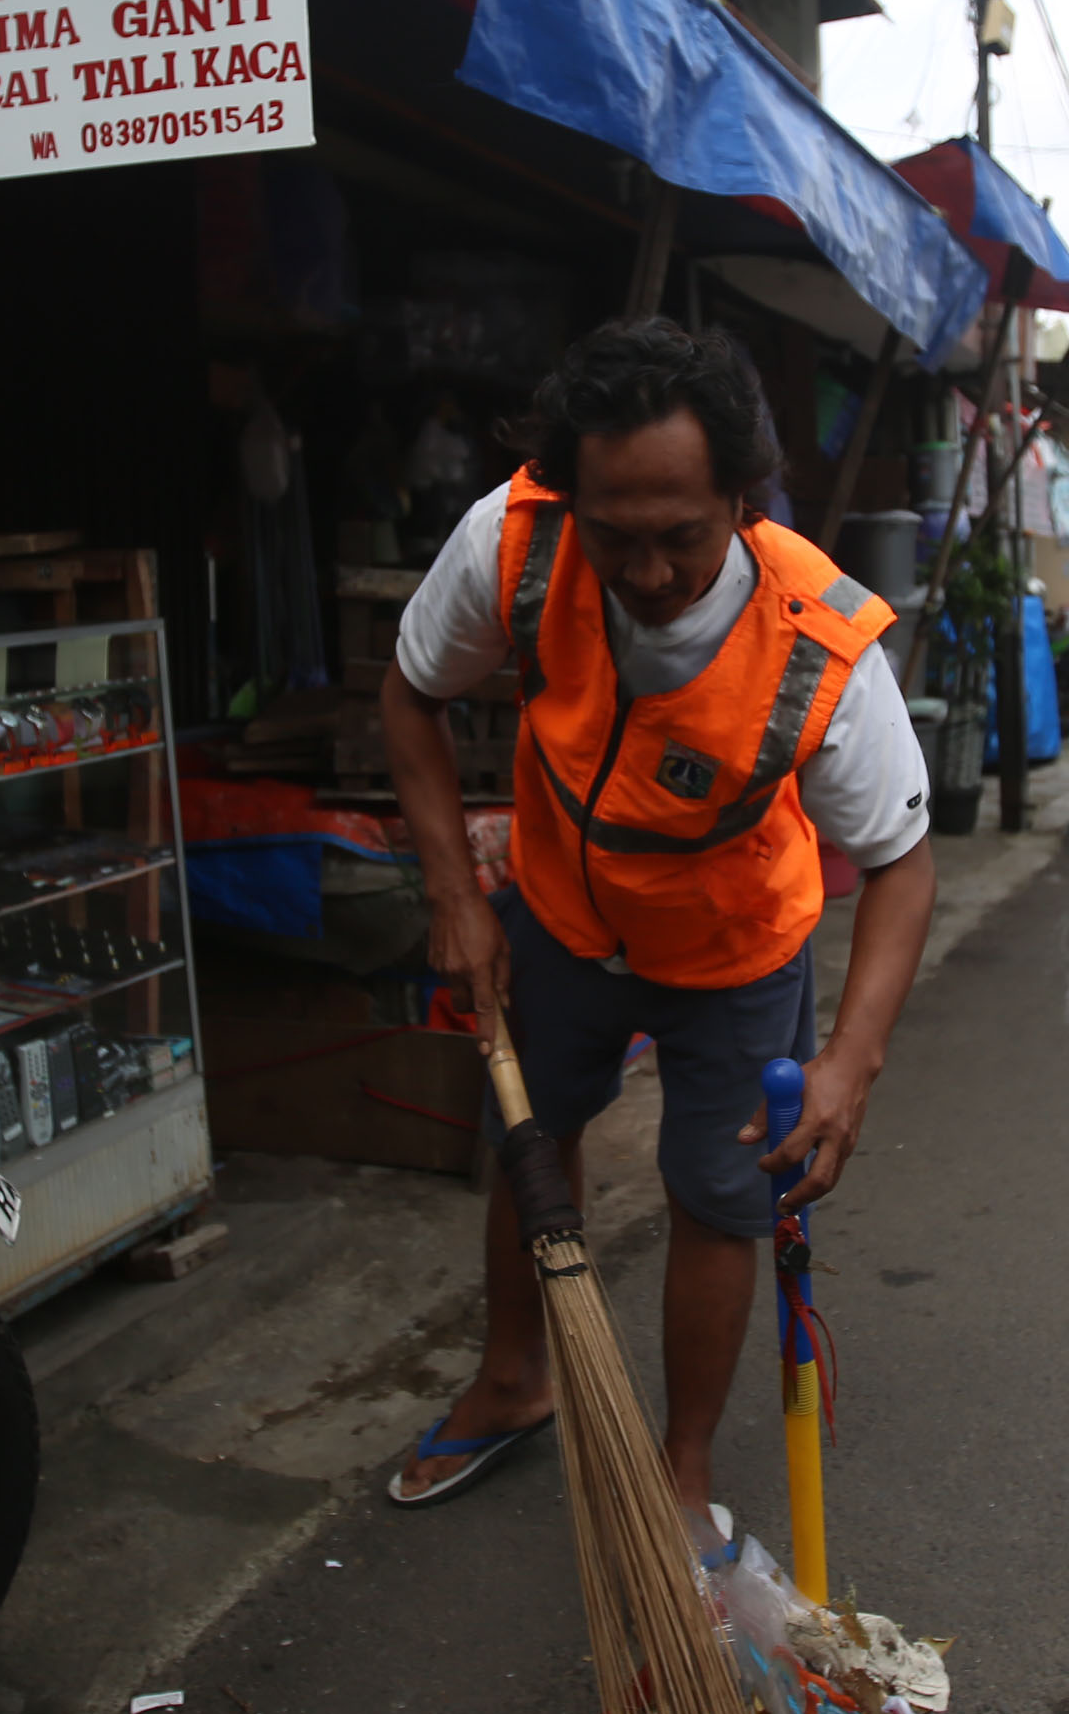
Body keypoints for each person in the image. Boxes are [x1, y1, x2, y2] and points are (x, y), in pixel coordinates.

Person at [377, 320, 937, 1535]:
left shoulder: (818, 640)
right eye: (613, 535)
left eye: (680, 538)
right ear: (570, 494)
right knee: (532, 1134)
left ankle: (681, 1467)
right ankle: (516, 1377)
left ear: (740, 496)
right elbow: (412, 695)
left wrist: (851, 1062)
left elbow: (898, 862)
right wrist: (456, 898)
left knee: (718, 1191)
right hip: (564, 915)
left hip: (734, 941)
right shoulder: (516, 540)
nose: (643, 573)